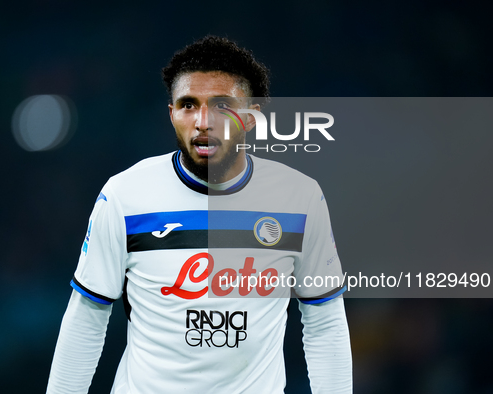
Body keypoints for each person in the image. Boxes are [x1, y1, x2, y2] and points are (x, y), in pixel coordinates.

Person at [46, 35, 352, 393]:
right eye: (188, 105)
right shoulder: (124, 195)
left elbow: (324, 321)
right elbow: (87, 318)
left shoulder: (300, 198)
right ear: (172, 113)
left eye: (222, 105)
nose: (203, 121)